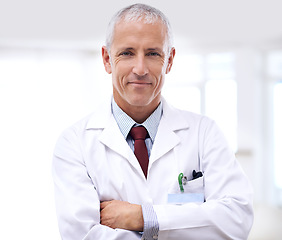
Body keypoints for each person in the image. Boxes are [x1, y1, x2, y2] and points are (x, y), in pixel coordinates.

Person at [52, 3, 253, 240]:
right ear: (107, 59)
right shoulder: (74, 143)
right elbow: (83, 235)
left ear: (169, 60)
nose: (140, 68)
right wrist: (191, 224)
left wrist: (144, 217)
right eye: (127, 53)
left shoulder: (204, 133)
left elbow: (236, 219)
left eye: (153, 53)